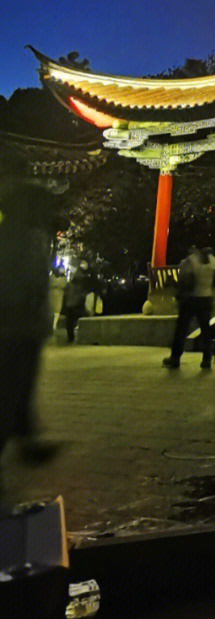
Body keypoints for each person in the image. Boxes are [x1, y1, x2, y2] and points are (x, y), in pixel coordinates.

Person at [0, 152, 67, 480]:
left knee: (18, 389)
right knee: (12, 388)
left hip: (23, 327)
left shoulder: (22, 237)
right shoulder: (16, 240)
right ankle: (22, 438)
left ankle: (25, 436)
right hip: (15, 327)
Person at [162, 241, 215, 369]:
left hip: (190, 299)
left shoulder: (190, 261)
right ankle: (207, 359)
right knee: (206, 330)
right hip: (206, 298)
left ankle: (175, 357)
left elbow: (183, 280)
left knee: (181, 329)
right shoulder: (213, 261)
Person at [61, 260, 93, 343]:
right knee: (79, 320)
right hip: (77, 304)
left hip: (71, 304)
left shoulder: (71, 283)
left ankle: (71, 338)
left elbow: (66, 294)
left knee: (70, 323)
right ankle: (80, 338)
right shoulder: (83, 281)